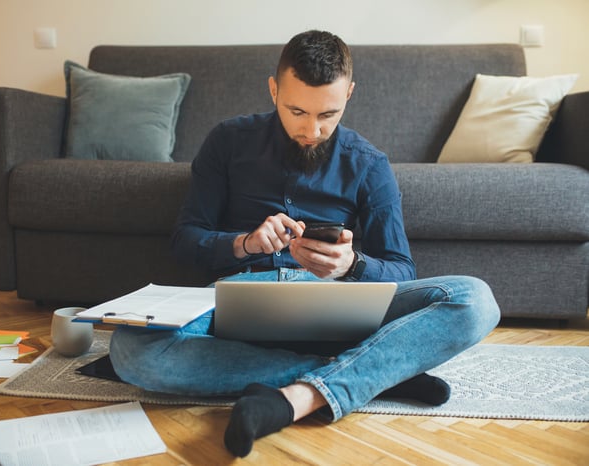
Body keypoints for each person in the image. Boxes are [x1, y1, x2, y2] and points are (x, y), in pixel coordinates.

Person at [109, 30, 500, 458]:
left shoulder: (369, 164)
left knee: (474, 300)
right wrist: (245, 243)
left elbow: (402, 270)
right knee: (130, 349)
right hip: (241, 295)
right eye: (296, 111)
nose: (312, 129)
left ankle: (297, 396)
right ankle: (376, 373)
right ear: (273, 88)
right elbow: (185, 241)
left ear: (349, 94)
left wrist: (350, 266)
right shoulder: (227, 142)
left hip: (337, 302)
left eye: (327, 114)